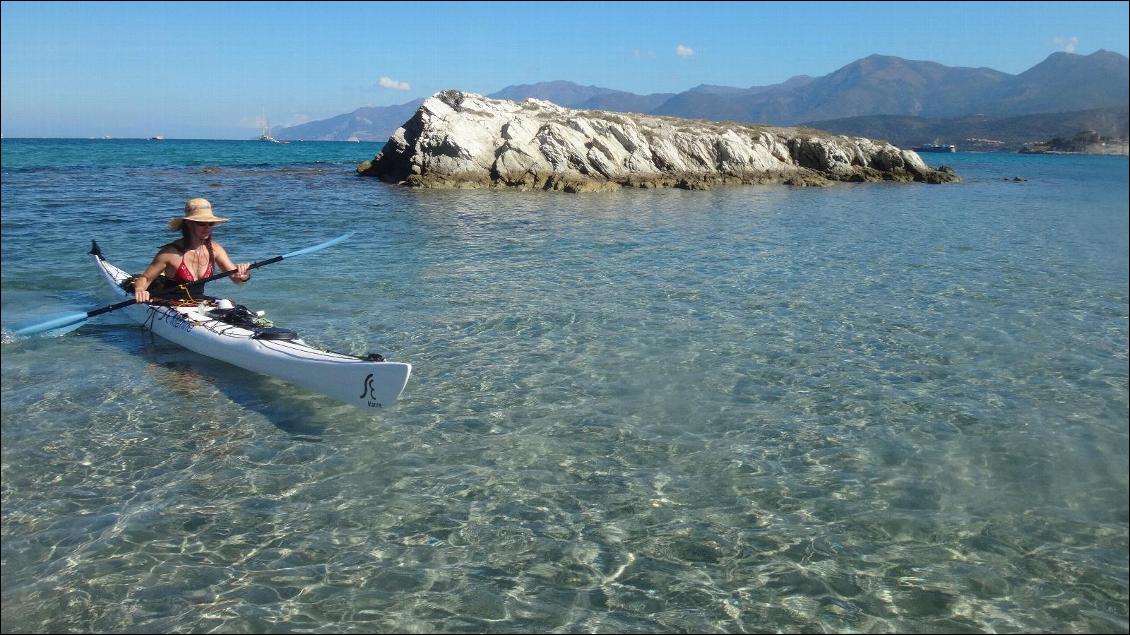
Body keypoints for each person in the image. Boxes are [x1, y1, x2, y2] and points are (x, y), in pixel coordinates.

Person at [132, 198, 251, 303]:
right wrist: (140, 290)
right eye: (201, 224)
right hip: (171, 303)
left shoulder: (215, 249)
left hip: (198, 303)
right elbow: (146, 278)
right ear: (189, 224)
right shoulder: (170, 253)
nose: (207, 228)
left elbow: (237, 280)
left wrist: (244, 275)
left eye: (211, 224)